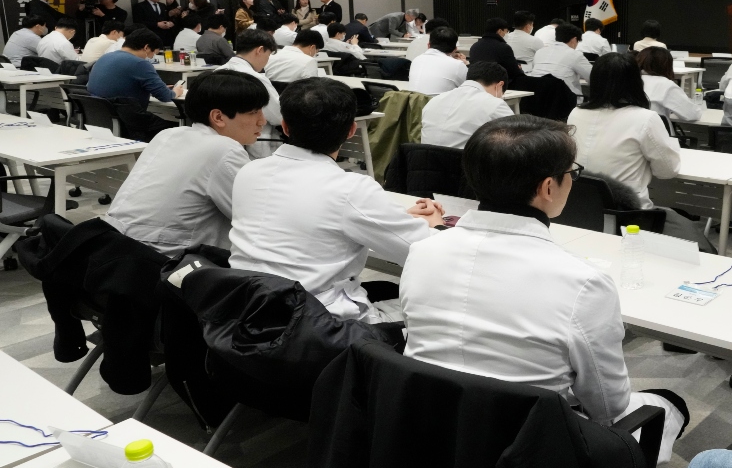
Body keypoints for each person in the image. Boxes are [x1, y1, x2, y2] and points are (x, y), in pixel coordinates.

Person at [398, 114, 689, 465]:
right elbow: (608, 406)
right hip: (529, 454)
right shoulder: (582, 283)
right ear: (549, 188)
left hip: (427, 431)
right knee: (669, 404)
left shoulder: (423, 252)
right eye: (572, 173)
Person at [228, 77, 443, 322]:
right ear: (352, 130)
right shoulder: (351, 190)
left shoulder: (248, 172)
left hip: (250, 313)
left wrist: (397, 219)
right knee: (430, 313)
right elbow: (426, 253)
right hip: (321, 328)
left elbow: (306, 222)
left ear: (285, 126)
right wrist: (436, 224)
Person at [102, 70, 268, 255]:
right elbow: (256, 218)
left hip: (115, 244)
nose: (262, 121)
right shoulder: (223, 149)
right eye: (254, 112)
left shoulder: (168, 134)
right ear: (218, 117)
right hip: (163, 261)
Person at [568, 53, 680, 210]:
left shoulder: (575, 113)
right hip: (629, 213)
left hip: (582, 208)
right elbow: (668, 171)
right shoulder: (645, 118)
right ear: (636, 82)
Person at [421, 62, 513, 149]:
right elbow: (518, 136)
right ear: (500, 85)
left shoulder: (434, 100)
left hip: (424, 163)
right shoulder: (495, 104)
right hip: (464, 163)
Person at [87, 29, 183, 109]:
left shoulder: (105, 57)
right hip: (128, 118)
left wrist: (157, 88)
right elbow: (165, 96)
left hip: (99, 116)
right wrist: (176, 92)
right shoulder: (140, 63)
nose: (151, 58)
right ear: (146, 47)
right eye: (153, 54)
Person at [637, 46, 702, 123]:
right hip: (654, 132)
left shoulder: (628, 80)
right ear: (667, 65)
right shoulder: (665, 84)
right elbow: (692, 114)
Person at [530, 24, 592, 97]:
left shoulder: (539, 52)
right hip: (564, 100)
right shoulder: (575, 54)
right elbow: (593, 77)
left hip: (537, 97)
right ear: (574, 39)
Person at [409, 26, 466, 95]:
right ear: (455, 49)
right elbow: (470, 88)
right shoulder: (458, 65)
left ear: (428, 45)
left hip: (414, 104)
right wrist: (464, 64)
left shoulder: (416, 60)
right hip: (439, 105)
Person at [468, 17, 526, 85]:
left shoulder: (474, 46)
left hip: (477, 83)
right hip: (498, 84)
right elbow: (513, 71)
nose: (507, 34)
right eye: (506, 31)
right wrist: (518, 68)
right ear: (500, 31)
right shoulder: (503, 47)